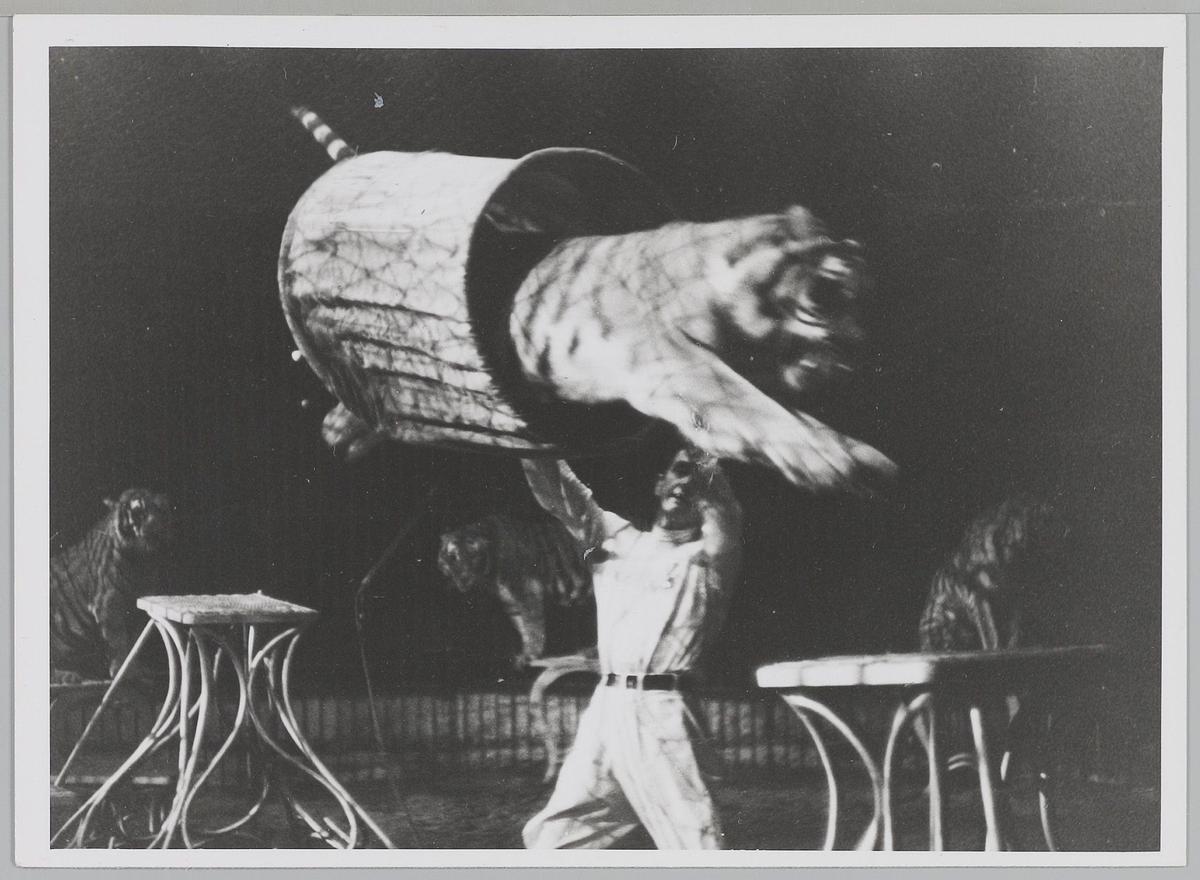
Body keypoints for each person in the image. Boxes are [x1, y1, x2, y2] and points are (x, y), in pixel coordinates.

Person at [520, 446, 743, 850]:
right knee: (556, 841)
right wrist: (526, 438)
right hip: (607, 710)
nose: (686, 482)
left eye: (698, 477)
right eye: (679, 471)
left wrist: (702, 444)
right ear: (659, 484)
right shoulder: (617, 539)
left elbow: (725, 511)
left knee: (696, 846)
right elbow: (561, 492)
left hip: (664, 713)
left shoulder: (710, 559)